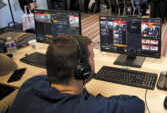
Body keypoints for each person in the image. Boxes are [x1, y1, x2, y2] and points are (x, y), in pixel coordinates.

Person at [9, 35, 145, 113]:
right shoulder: (92, 108)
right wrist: (99, 99)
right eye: (92, 58)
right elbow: (137, 104)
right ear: (83, 70)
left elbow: (42, 75)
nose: (94, 61)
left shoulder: (28, 85)